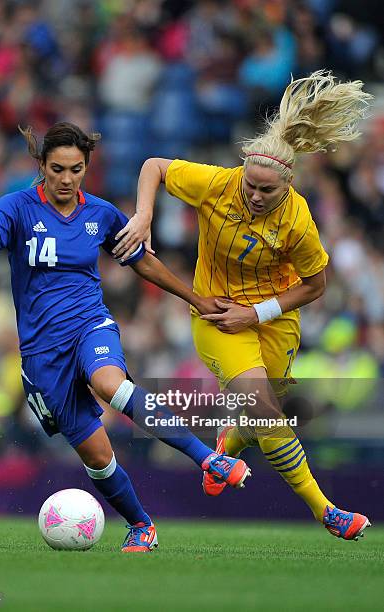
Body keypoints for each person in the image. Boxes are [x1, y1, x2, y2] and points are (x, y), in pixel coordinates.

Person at [0, 122, 251, 552]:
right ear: (41, 167)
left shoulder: (101, 214)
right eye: (57, 169)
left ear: (87, 166)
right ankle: (142, 525)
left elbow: (141, 261)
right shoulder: (16, 207)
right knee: (98, 457)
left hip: (90, 324)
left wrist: (194, 298)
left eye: (76, 169)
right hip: (41, 354)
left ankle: (210, 458)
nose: (67, 179)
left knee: (110, 383)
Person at [114, 70, 373, 541]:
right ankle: (326, 511)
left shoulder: (298, 221)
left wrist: (256, 313)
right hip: (215, 315)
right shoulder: (217, 184)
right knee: (263, 409)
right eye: (251, 185)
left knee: (258, 414)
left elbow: (316, 285)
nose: (254, 195)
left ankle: (228, 445)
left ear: (287, 186)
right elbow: (153, 165)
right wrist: (145, 214)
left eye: (266, 191)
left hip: (273, 319)